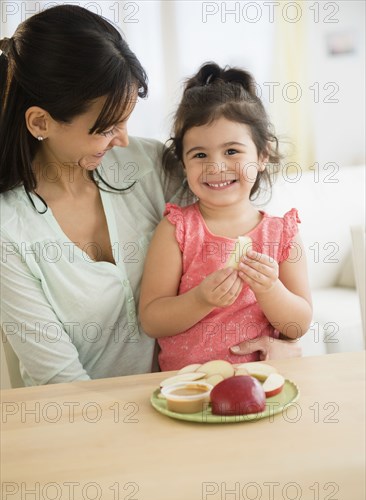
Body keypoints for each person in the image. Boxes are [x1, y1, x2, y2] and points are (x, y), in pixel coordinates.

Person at [0, 6, 302, 387]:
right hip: (84, 419)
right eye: (106, 127)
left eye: (126, 120)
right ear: (40, 122)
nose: (123, 140)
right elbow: (59, 378)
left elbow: (238, 223)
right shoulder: (8, 231)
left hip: (190, 398)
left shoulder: (147, 164)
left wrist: (288, 340)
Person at [139, 63, 312, 371]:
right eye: (200, 155)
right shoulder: (176, 230)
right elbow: (152, 319)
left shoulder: (281, 233)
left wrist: (270, 289)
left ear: (262, 155)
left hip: (262, 384)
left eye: (232, 151)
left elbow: (298, 325)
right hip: (188, 388)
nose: (216, 166)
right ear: (183, 163)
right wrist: (201, 299)